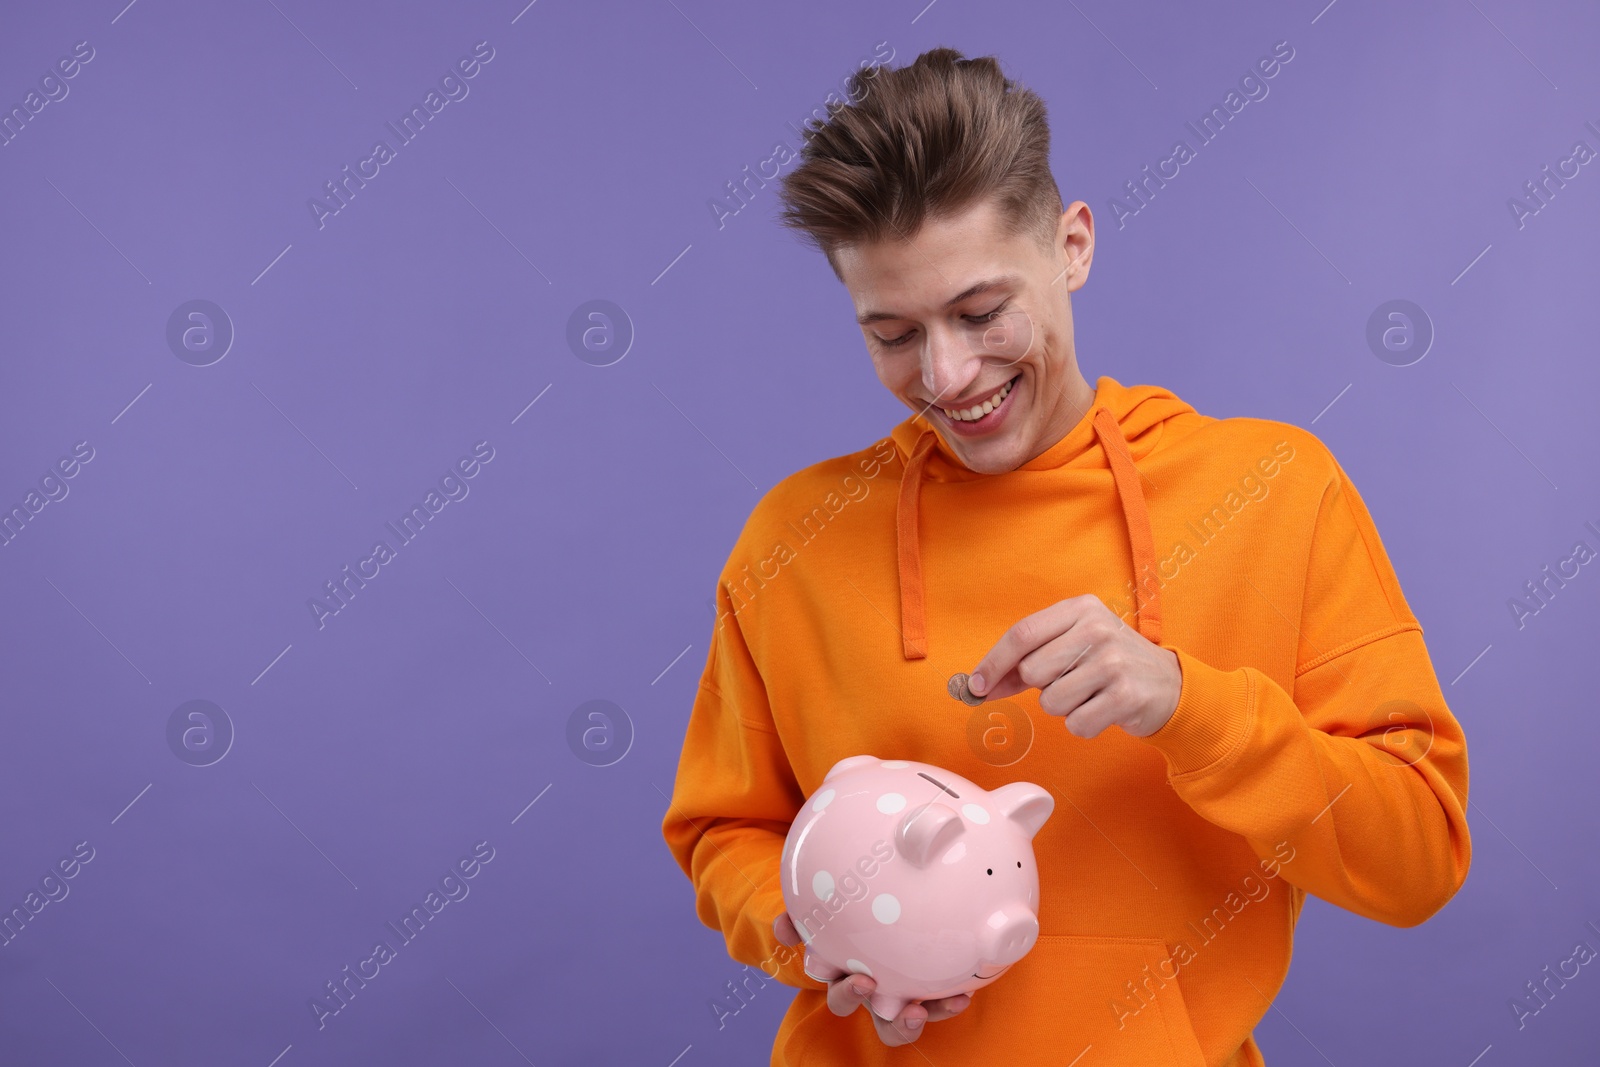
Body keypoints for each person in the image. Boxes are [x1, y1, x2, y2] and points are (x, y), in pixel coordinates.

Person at [660, 46, 1470, 1066]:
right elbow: (724, 833)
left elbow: (1417, 858)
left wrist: (1188, 704)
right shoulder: (795, 537)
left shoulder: (1274, 491)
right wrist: (808, 934)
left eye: (980, 311)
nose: (946, 375)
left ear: (1073, 245)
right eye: (892, 333)